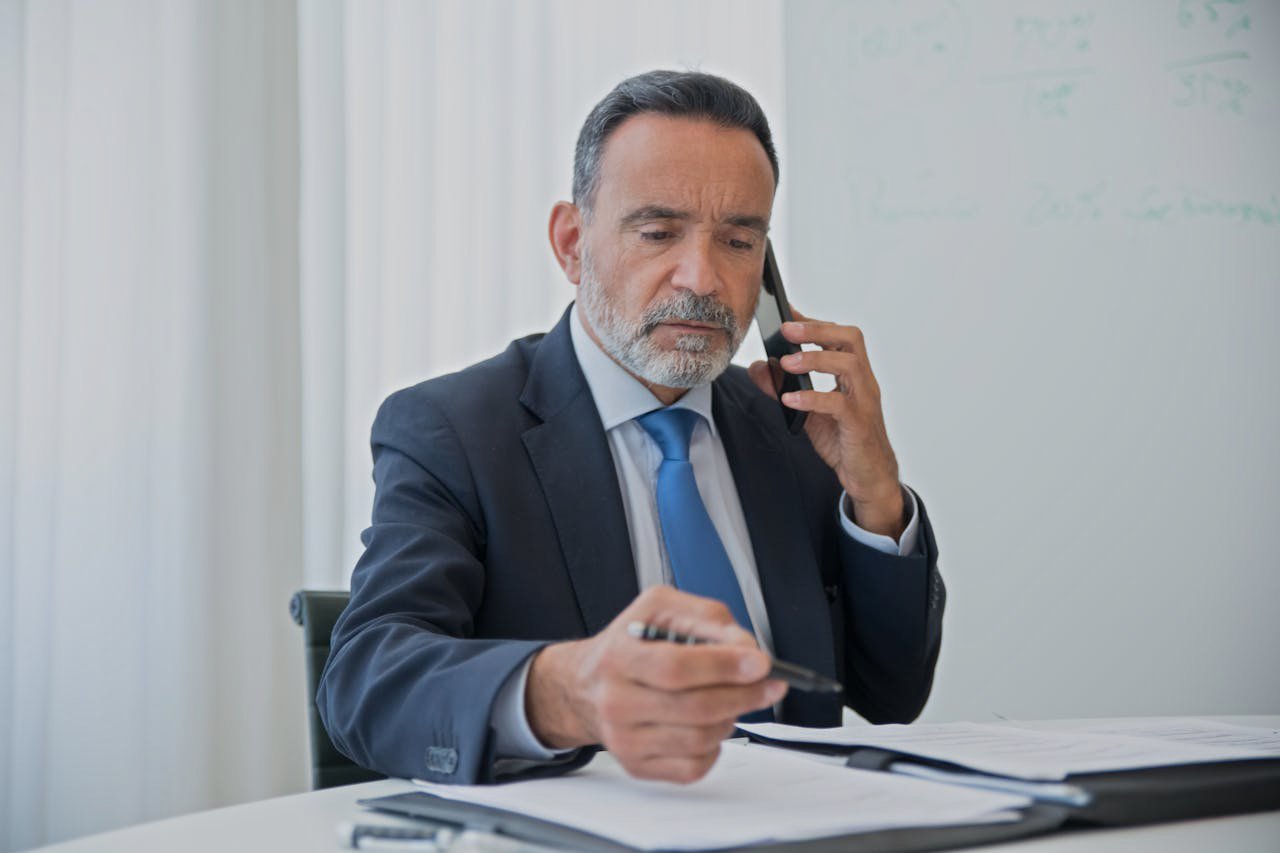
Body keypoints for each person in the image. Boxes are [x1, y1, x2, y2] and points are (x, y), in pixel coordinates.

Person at [317, 70, 945, 787]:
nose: (701, 278)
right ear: (571, 243)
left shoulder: (793, 427)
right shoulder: (452, 431)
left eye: (739, 242)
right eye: (658, 231)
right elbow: (366, 680)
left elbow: (892, 695)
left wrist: (876, 497)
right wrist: (565, 690)